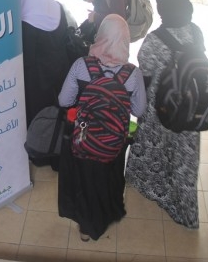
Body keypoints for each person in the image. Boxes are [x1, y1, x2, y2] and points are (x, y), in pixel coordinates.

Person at [57, 14, 147, 241]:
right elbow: (139, 111)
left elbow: (64, 101)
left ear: (101, 35)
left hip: (83, 139)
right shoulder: (132, 74)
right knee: (108, 179)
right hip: (114, 143)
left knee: (84, 180)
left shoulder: (81, 65)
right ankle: (106, 214)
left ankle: (85, 227)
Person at [125, 0, 203, 229]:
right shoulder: (196, 31)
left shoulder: (154, 41)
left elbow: (145, 79)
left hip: (161, 109)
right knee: (182, 155)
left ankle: (151, 186)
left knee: (155, 147)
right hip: (190, 106)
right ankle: (184, 208)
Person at [20, 0, 71, 128]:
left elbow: (27, 60)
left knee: (39, 124)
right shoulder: (58, 8)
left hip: (38, 84)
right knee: (56, 119)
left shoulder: (28, 22)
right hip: (59, 74)